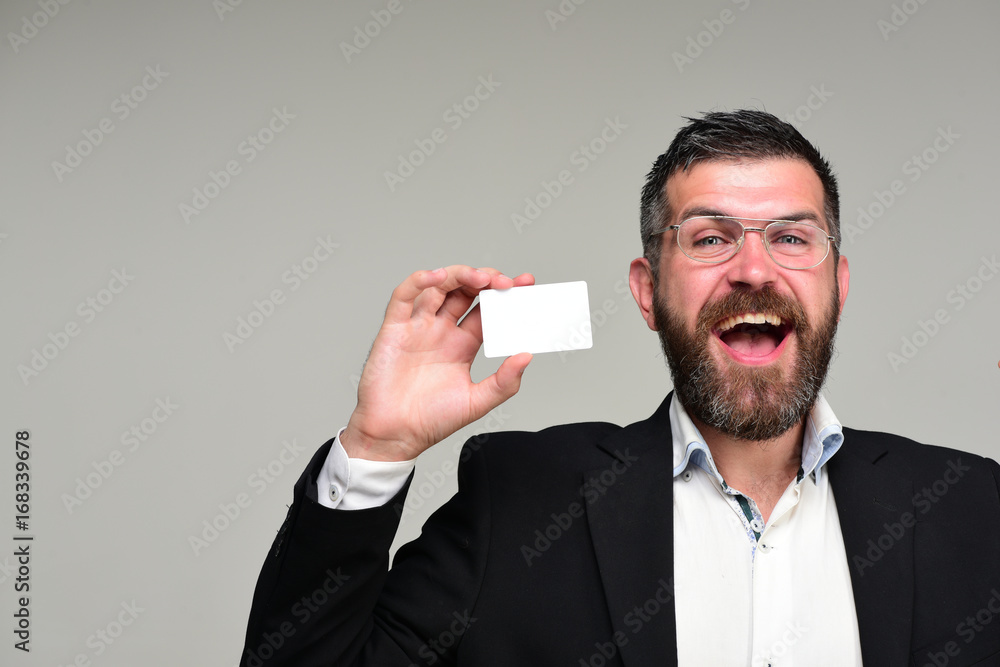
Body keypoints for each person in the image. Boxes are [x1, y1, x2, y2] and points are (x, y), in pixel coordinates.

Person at [240, 110, 1000, 666]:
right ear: (647, 291)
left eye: (791, 237)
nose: (755, 269)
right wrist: (377, 448)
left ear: (837, 283)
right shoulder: (520, 501)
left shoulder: (971, 508)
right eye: (709, 237)